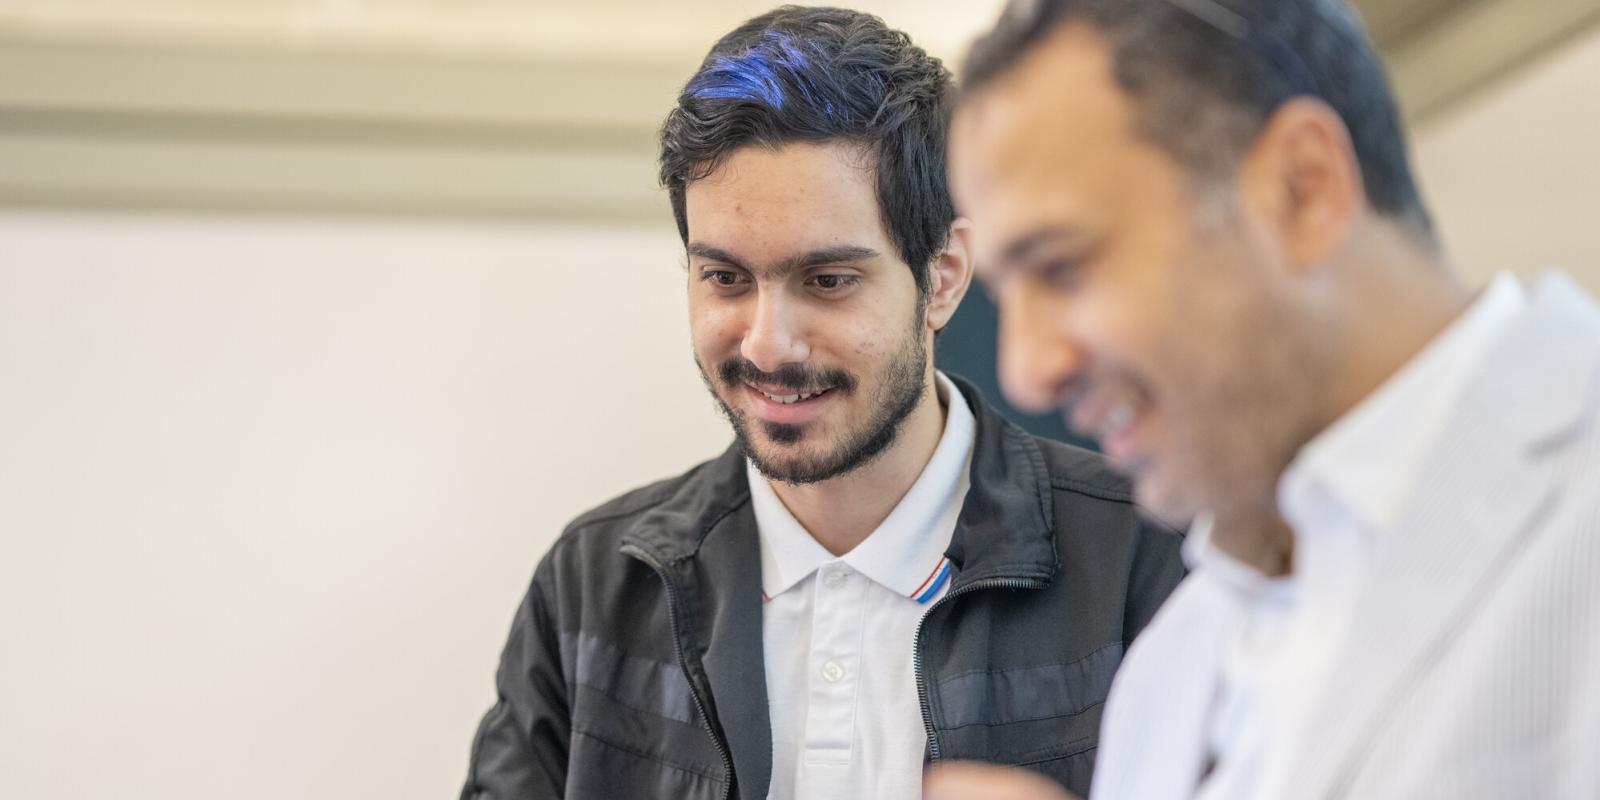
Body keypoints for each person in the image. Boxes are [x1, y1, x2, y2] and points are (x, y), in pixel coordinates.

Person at [458, 7, 1187, 800]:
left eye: (828, 281)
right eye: (726, 278)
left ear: (942, 276)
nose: (769, 345)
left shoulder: (1145, 566)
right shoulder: (593, 590)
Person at [927, 0, 1600, 798]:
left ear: (1301, 189)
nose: (1026, 374)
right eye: (1008, 296)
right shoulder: (1176, 657)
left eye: (1064, 268)